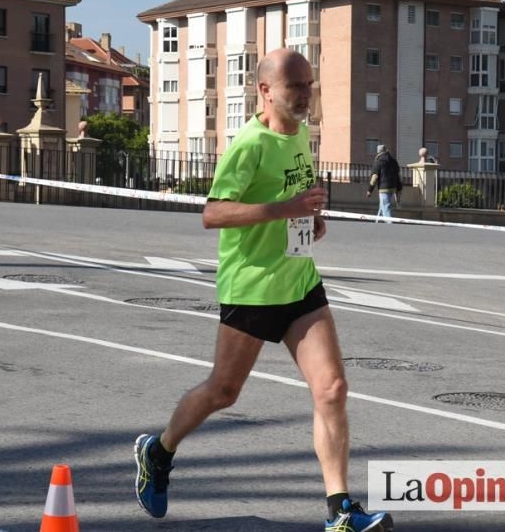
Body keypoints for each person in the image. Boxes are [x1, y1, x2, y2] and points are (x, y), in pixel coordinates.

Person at [134, 48, 392, 532]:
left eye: (309, 85)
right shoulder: (248, 145)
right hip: (251, 288)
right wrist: (284, 207)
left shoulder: (299, 137)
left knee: (332, 388)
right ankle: (160, 450)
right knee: (223, 391)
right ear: (266, 91)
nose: (304, 95)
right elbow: (213, 214)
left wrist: (311, 218)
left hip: (298, 283)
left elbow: (294, 198)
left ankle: (339, 510)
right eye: (295, 87)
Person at [366, 145, 402, 219]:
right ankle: (378, 222)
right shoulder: (394, 161)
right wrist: (398, 189)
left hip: (383, 188)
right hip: (393, 187)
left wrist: (370, 190)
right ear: (386, 150)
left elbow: (374, 178)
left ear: (378, 152)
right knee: (383, 205)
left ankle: (389, 225)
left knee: (386, 206)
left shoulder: (378, 162)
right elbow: (398, 176)